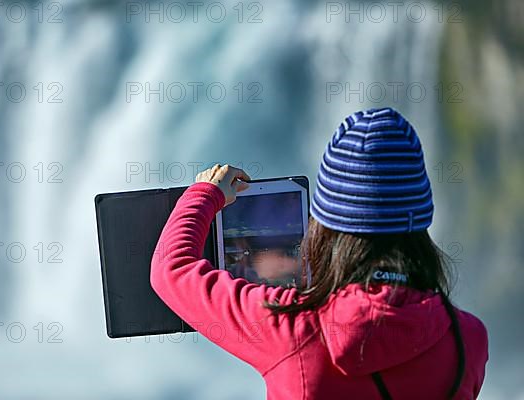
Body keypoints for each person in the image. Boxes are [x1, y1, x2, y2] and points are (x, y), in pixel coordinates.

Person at [150, 107, 488, 399]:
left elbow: (171, 268)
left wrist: (206, 193)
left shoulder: (287, 327)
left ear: (324, 230)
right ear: (419, 230)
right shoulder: (467, 341)